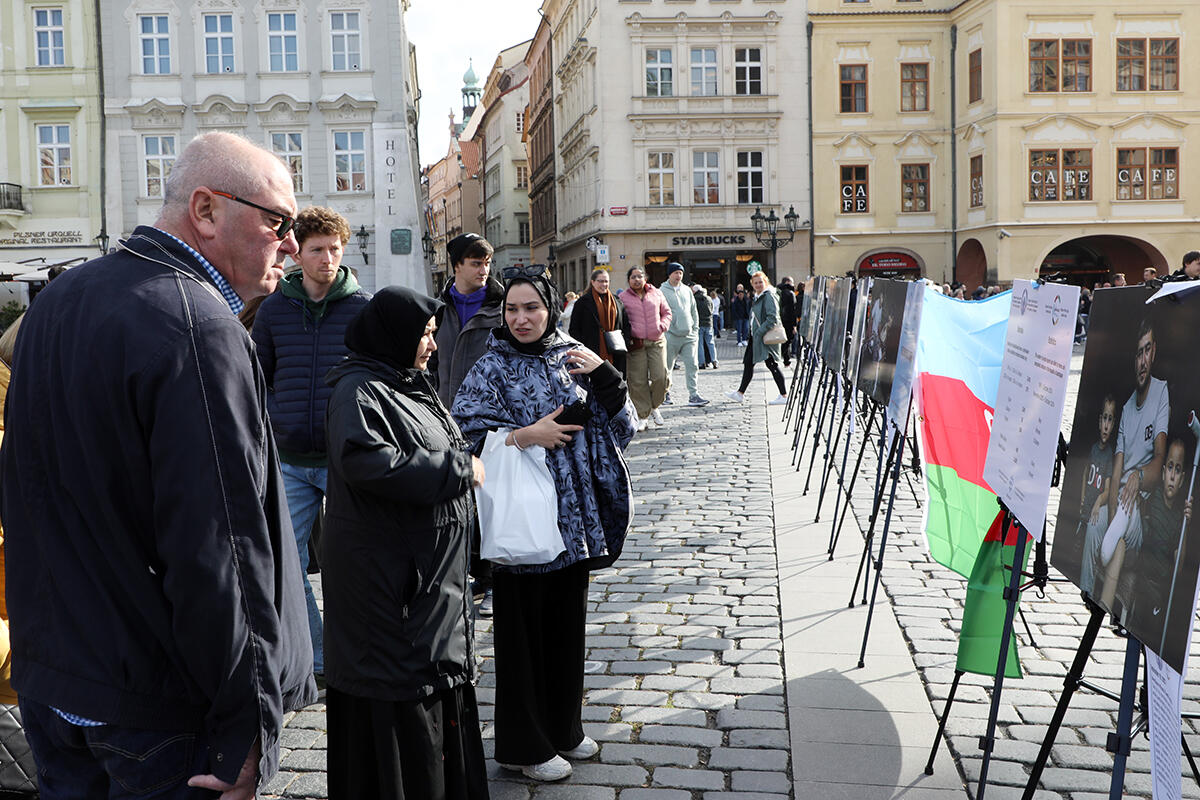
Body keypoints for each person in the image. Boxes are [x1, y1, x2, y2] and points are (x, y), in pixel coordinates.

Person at [0, 131, 317, 798]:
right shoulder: (198, 326)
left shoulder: (59, 300)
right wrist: (249, 724)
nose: (289, 243)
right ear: (206, 210)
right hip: (156, 709)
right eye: (276, 221)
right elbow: (221, 551)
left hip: (57, 682)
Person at [451, 270, 635, 783]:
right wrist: (524, 435)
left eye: (531, 308)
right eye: (512, 309)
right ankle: (521, 744)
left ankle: (563, 727)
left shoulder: (575, 356)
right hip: (522, 521)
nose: (521, 318)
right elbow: (462, 435)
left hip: (573, 520)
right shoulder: (490, 367)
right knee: (520, 636)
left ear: (550, 308)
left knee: (565, 627)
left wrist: (605, 375)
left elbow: (624, 428)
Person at [322, 286, 489, 800]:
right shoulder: (359, 390)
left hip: (427, 594)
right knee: (401, 735)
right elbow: (366, 461)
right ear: (393, 335)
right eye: (425, 334)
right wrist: (460, 469)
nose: (432, 345)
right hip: (393, 599)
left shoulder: (404, 381)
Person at [251, 205, 371, 685]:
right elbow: (258, 375)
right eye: (317, 249)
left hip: (345, 459)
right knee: (285, 562)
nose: (326, 258)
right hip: (290, 459)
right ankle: (319, 655)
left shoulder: (362, 307)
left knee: (353, 560)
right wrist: (277, 414)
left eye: (334, 249)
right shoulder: (275, 307)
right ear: (298, 252)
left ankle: (358, 649)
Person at [431, 232, 502, 617]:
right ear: (456, 265)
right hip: (444, 415)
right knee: (454, 497)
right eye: (476, 263)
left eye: (486, 262)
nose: (483, 270)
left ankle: (490, 578)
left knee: (487, 499)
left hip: (489, 419)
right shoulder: (438, 308)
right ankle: (463, 574)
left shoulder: (499, 306)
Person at [1098, 318, 1170, 618]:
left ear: (1154, 354)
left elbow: (1160, 458)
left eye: (1147, 351)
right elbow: (1116, 472)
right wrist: (1114, 509)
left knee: (1114, 535)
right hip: (1122, 503)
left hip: (1141, 503)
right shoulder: (1127, 409)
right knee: (1097, 523)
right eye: (1138, 352)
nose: (1143, 360)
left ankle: (1106, 601)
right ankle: (1102, 600)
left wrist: (1138, 478)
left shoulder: (1162, 393)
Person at [1127, 437, 1192, 643]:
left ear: (1182, 479)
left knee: (1152, 636)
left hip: (1158, 590)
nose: (1172, 475)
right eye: (1170, 467)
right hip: (1140, 579)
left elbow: (1179, 567)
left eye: (1178, 470)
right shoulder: (1151, 500)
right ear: (1163, 472)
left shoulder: (1178, 520)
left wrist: (1186, 526)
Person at [620, 266, 672, 430]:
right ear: (628, 280)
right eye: (633, 277)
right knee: (637, 381)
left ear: (645, 278)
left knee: (661, 377)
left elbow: (667, 312)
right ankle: (643, 415)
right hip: (636, 344)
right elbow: (620, 319)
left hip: (657, 341)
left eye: (639, 276)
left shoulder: (656, 293)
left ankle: (654, 406)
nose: (636, 280)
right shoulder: (622, 297)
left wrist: (662, 326)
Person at [727, 270, 788, 405]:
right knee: (749, 363)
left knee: (772, 365)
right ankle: (740, 393)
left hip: (764, 337)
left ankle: (784, 395)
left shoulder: (768, 296)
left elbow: (772, 318)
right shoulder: (758, 295)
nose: (758, 284)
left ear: (765, 281)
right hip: (756, 337)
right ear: (752, 285)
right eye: (756, 283)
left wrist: (759, 332)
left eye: (760, 282)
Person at [1078, 394, 1117, 595]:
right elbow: (1086, 472)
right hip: (1087, 505)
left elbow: (1109, 488)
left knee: (1091, 545)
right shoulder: (1094, 449)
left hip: (1096, 508)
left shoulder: (1110, 455)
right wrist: (1084, 497)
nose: (1106, 425)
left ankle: (1088, 589)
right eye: (1104, 418)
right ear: (1099, 420)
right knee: (1081, 541)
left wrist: (1097, 503)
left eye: (1110, 420)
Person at [659, 263, 708, 407]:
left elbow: (694, 311)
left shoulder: (687, 290)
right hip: (670, 336)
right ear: (669, 274)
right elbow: (659, 312)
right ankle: (665, 393)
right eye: (675, 273)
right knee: (666, 367)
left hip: (689, 336)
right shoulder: (661, 291)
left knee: (692, 365)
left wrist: (695, 329)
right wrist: (665, 330)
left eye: (680, 273)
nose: (678, 275)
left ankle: (694, 395)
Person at [569, 269, 633, 375]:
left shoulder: (617, 301)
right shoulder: (582, 302)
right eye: (600, 281)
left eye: (606, 281)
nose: (604, 284)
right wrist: (583, 348)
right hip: (591, 352)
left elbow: (626, 325)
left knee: (616, 385)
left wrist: (625, 342)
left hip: (615, 352)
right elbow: (574, 329)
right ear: (592, 282)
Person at [693, 283, 716, 369]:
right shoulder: (709, 299)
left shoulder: (694, 299)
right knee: (711, 343)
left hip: (699, 324)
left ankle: (701, 362)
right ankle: (714, 361)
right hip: (709, 323)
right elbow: (712, 310)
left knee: (700, 344)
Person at [777, 277, 797, 367]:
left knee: (782, 341)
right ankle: (783, 358)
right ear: (788, 282)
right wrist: (794, 325)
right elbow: (793, 310)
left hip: (779, 320)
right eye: (792, 282)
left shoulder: (777, 292)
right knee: (788, 341)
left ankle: (786, 360)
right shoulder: (790, 293)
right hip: (788, 321)